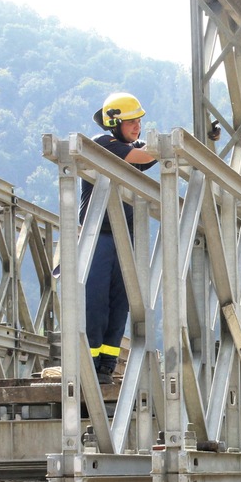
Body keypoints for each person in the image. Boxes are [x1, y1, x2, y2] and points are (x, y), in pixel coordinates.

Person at [83, 91, 158, 384]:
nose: (137, 126)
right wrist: (168, 147)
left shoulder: (130, 148)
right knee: (96, 302)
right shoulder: (105, 145)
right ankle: (89, 364)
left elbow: (147, 154)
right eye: (131, 122)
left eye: (139, 121)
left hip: (125, 237)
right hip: (99, 237)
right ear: (114, 124)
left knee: (120, 304)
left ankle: (106, 365)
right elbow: (147, 155)